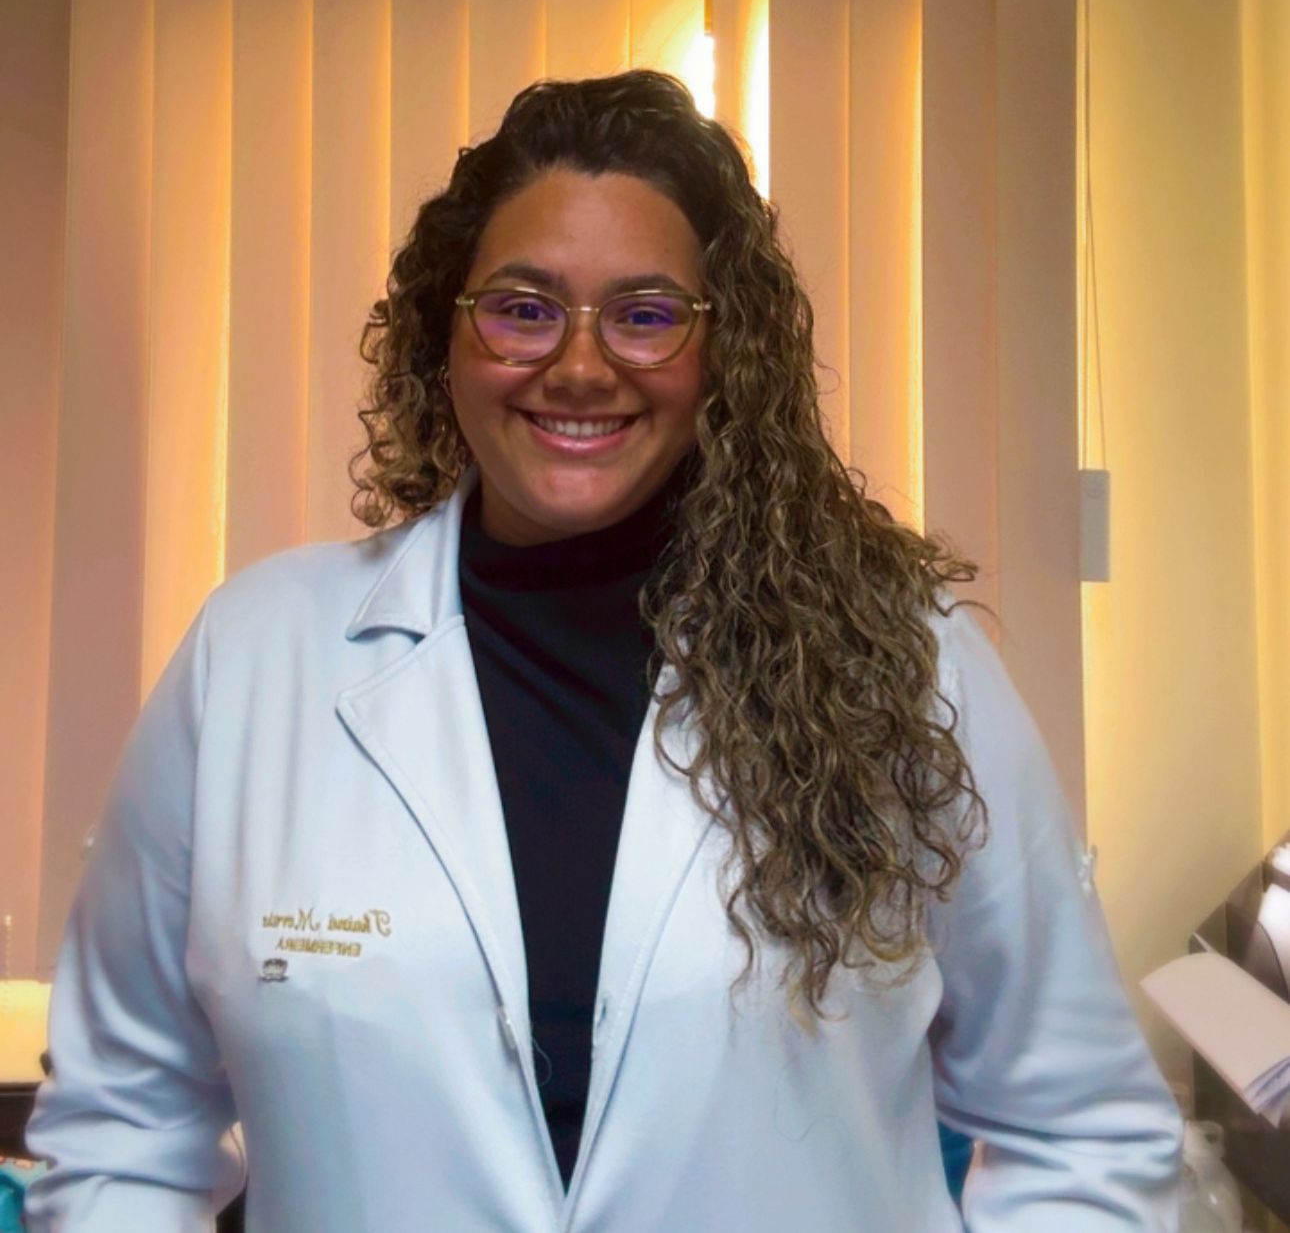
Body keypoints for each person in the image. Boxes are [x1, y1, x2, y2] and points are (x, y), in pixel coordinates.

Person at [24, 69, 1182, 1231]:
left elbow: (1076, 1127)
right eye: (524, 308)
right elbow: (123, 1123)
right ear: (446, 334)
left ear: (725, 352)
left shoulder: (899, 667)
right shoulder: (254, 661)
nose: (579, 367)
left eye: (644, 314)